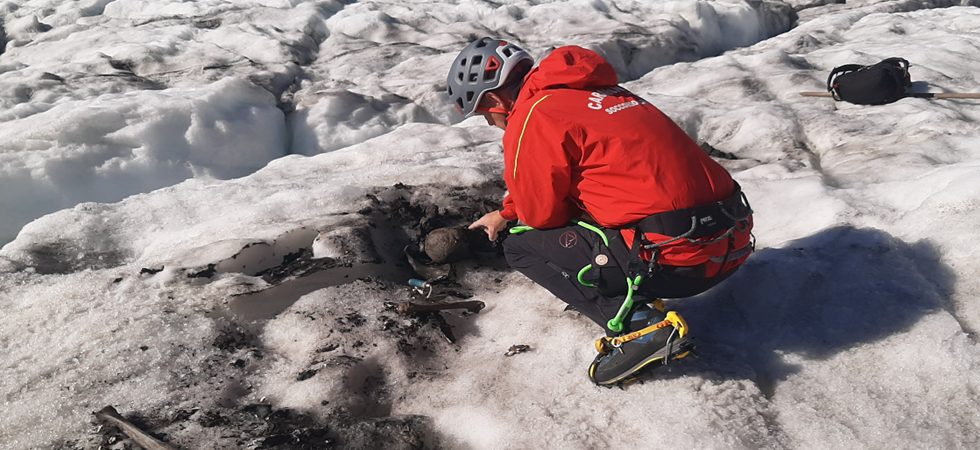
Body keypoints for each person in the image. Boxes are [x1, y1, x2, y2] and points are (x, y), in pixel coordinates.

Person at [446, 37, 754, 385]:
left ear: (493, 99)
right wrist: (506, 212)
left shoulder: (532, 114)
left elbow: (542, 215)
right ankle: (621, 288)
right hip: (731, 242)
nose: (491, 124)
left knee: (521, 246)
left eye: (486, 116)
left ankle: (641, 327)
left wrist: (518, 217)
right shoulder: (600, 93)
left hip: (681, 264)